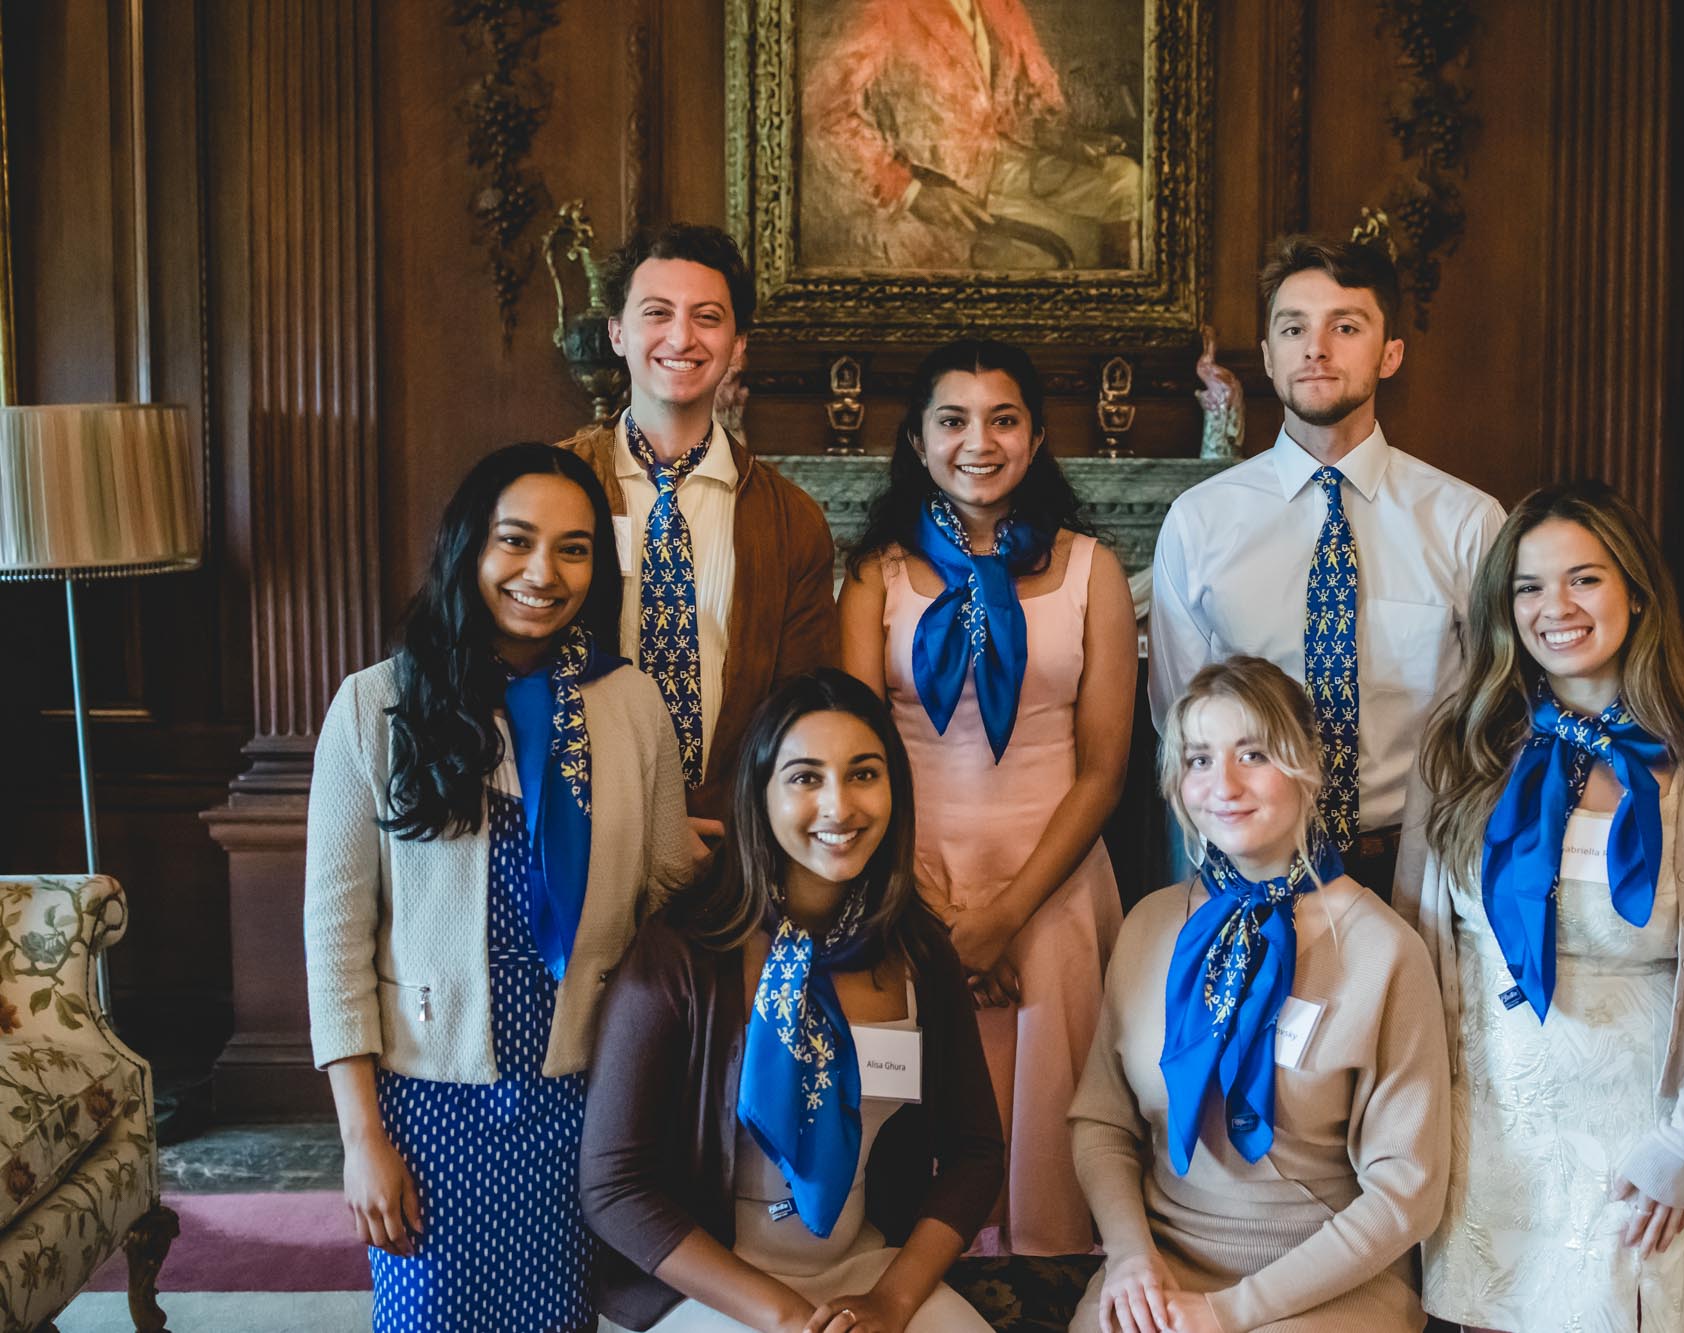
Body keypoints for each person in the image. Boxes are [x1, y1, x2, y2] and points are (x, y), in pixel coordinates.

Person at [304, 443, 699, 1333]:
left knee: (561, 1316)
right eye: (514, 541)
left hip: (588, 1090)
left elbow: (670, 898)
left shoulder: (633, 706)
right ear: (467, 549)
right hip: (428, 1099)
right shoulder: (375, 705)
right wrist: (361, 1138)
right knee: (430, 1313)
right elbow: (334, 943)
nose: (542, 573)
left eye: (574, 548)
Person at [1394, 480, 1684, 1333]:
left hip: (1640, 1134)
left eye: (1584, 578)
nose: (1552, 606)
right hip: (1484, 1127)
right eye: (1528, 586)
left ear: (1636, 593)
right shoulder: (1456, 755)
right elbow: (1421, 949)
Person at [579, 669, 1004, 1333]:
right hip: (717, 1283)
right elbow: (613, 1185)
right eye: (806, 777)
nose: (840, 806)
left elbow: (976, 1152)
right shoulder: (680, 951)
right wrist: (782, 1315)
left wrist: (892, 1301)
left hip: (870, 1272)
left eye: (864, 773)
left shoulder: (921, 950)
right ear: (760, 793)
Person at [839, 338, 1136, 1256]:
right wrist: (932, 918)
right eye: (954, 420)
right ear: (918, 439)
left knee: (1042, 1136)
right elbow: (855, 758)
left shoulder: (1094, 571)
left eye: (1003, 419)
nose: (980, 440)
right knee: (921, 1127)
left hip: (1052, 884)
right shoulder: (873, 577)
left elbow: (1104, 771)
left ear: (1038, 437)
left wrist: (1005, 916)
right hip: (903, 880)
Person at [1069, 655, 1449, 1332]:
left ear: (1309, 766)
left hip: (1329, 1283)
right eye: (1199, 759)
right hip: (1162, 1266)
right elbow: (1102, 1123)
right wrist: (1128, 1256)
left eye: (1254, 753)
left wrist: (1231, 1311)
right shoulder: (1148, 925)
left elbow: (1407, 1192)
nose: (1225, 784)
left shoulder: (1385, 950)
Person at [1148, 236, 1506, 895]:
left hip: (1422, 867)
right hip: (1249, 869)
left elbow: (1497, 717)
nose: (1316, 347)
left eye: (1346, 326)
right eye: (1293, 328)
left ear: (1390, 352)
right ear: (1266, 355)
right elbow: (1181, 720)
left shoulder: (1468, 523)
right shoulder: (1199, 523)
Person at [555, 222, 840, 829]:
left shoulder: (791, 521)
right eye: (657, 312)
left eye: (708, 317)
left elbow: (803, 705)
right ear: (617, 333)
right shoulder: (551, 487)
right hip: (578, 830)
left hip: (731, 843)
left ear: (738, 344)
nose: (681, 337)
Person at [800, 0, 1139, 270]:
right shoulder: (880, 7)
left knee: (1125, 182)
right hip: (938, 189)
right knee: (1055, 253)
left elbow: (1024, 96)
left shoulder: (1001, 5)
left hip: (1001, 164)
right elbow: (825, 113)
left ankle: (1127, 323)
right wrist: (910, 191)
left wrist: (1062, 138)